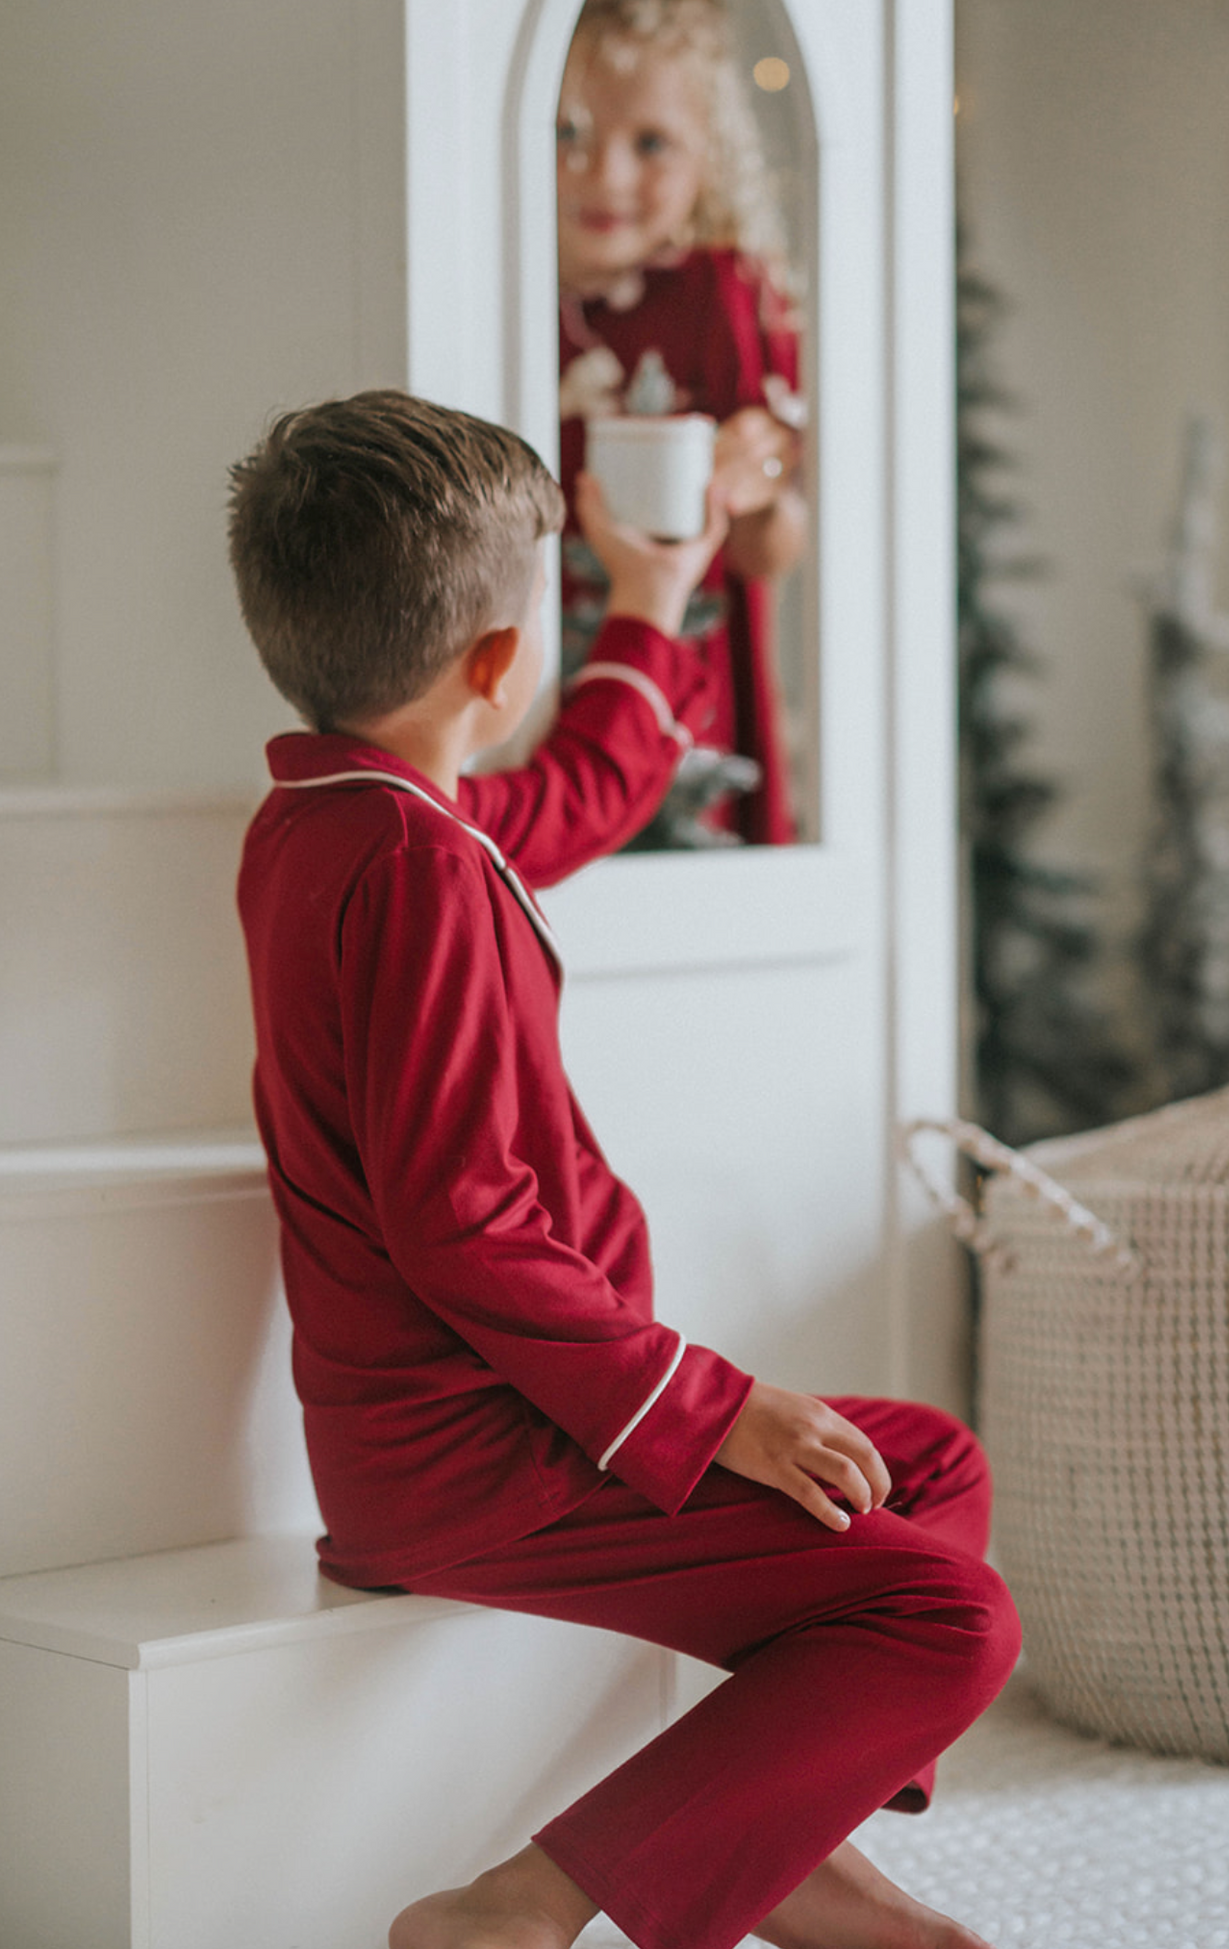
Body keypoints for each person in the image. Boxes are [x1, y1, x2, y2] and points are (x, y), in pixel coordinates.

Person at [227, 389, 1020, 1949]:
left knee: (924, 1462)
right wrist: (712, 1407)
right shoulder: (409, 865)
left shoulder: (347, 816)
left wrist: (654, 597)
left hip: (489, 1427)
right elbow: (462, 1221)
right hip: (477, 1451)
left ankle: (766, 1849)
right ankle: (522, 1907)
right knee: (950, 1613)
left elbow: (580, 793)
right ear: (499, 663)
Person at [557, 0, 807, 846]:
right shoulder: (490, 301)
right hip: (531, 701)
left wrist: (761, 480)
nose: (606, 175)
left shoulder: (723, 293)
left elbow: (768, 551)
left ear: (708, 151)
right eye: (568, 133)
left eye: (651, 142)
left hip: (687, 716)